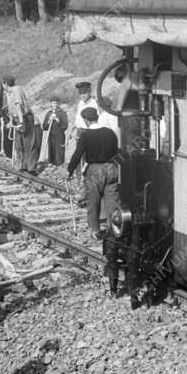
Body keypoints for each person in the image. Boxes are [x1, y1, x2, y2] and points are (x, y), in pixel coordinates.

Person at [68, 107, 122, 292]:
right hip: (112, 168)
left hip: (95, 169)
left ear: (85, 120)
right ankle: (114, 230)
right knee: (112, 202)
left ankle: (95, 231)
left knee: (94, 201)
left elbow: (78, 154)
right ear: (97, 117)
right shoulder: (110, 133)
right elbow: (117, 151)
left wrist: (70, 169)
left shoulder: (85, 136)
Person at [4, 75, 40, 174]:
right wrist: (11, 121)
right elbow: (11, 109)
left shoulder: (17, 90)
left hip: (25, 118)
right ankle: (22, 165)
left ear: (5, 84)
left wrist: (21, 123)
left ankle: (31, 167)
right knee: (18, 144)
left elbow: (18, 106)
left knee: (28, 143)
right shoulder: (8, 93)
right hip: (17, 119)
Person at [41, 97, 68, 166]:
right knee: (51, 151)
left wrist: (57, 120)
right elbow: (44, 127)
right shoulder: (48, 113)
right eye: (53, 103)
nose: (55, 105)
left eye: (56, 103)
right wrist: (49, 120)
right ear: (51, 104)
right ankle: (51, 165)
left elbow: (65, 126)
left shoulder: (62, 113)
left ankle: (59, 166)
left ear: (58, 103)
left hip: (59, 135)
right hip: (50, 135)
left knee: (59, 152)